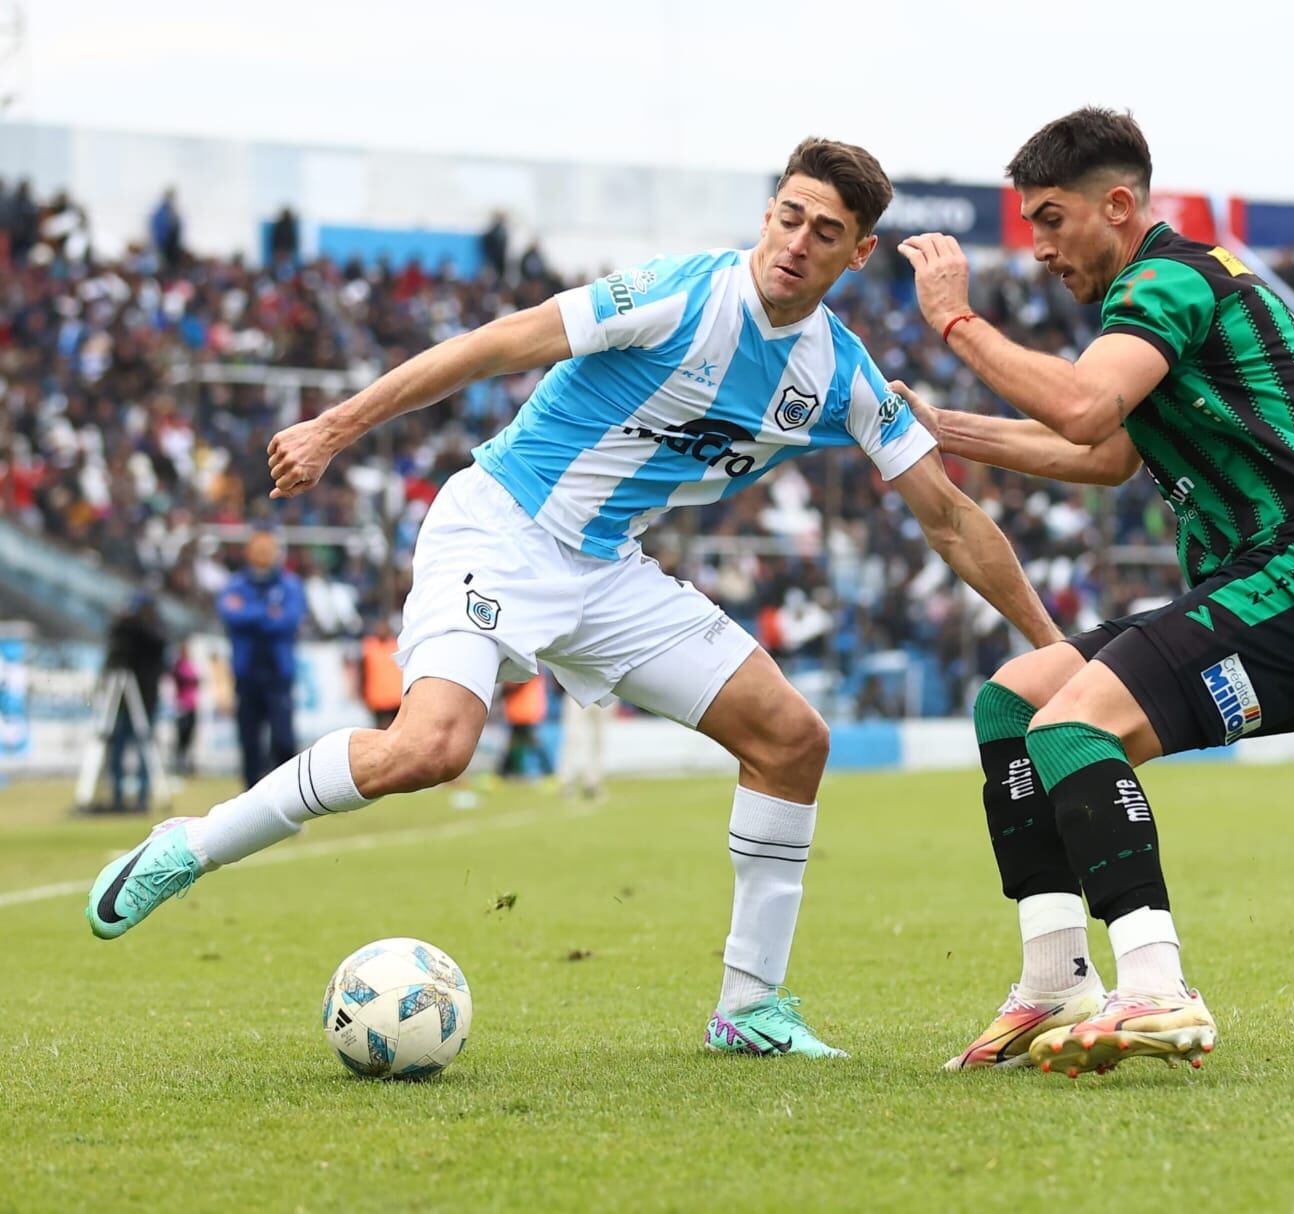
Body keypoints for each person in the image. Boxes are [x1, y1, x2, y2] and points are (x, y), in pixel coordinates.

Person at [86, 138, 1061, 1061]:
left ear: (857, 255)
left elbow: (949, 518)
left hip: (607, 571)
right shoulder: (679, 295)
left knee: (792, 739)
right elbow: (493, 344)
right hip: (499, 528)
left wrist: (1053, 645)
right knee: (428, 748)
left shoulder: (840, 372)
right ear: (767, 214)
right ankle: (191, 845)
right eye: (788, 217)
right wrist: (336, 427)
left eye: (824, 233)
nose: (797, 243)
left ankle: (748, 1005)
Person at [895, 108, 1294, 1075]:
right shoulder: (1162, 303)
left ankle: (1158, 990)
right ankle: (1054, 982)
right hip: (1278, 583)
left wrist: (956, 321)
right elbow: (1107, 453)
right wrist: (939, 429)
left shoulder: (1170, 276)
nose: (1040, 249)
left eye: (1050, 220)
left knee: (1072, 728)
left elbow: (1085, 408)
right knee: (1017, 699)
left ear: (1118, 205)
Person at [215, 531, 306, 786]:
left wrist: (249, 614)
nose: (264, 554)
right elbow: (230, 615)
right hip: (246, 673)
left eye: (268, 549)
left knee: (283, 740)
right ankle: (250, 804)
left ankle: (288, 799)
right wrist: (267, 613)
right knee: (249, 741)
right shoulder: (236, 584)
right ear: (248, 552)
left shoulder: (290, 584)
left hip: (278, 674)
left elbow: (288, 620)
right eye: (258, 549)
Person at [101, 595, 168, 813]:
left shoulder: (153, 632)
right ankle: (118, 797)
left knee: (144, 749)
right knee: (118, 747)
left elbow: (158, 643)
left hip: (145, 699)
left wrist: (134, 624)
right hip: (122, 699)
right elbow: (114, 655)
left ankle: (142, 798)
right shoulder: (127, 633)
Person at [499, 672, 554, 780]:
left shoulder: (526, 669)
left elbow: (514, 685)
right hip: (523, 711)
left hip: (523, 711)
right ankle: (506, 770)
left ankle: (548, 769)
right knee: (521, 741)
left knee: (525, 741)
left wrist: (503, 690)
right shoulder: (535, 668)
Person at [558, 695, 612, 801]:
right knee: (573, 737)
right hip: (577, 689)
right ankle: (566, 781)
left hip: (607, 692)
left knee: (599, 739)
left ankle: (593, 782)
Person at [359, 619, 404, 730]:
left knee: (396, 728)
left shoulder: (397, 646)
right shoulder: (369, 648)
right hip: (377, 698)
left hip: (396, 698)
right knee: (381, 730)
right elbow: (363, 672)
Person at [171, 642, 200, 777]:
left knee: (190, 738)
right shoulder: (178, 666)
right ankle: (179, 765)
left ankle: (187, 765)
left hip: (192, 706)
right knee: (181, 738)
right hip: (182, 707)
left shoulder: (191, 665)